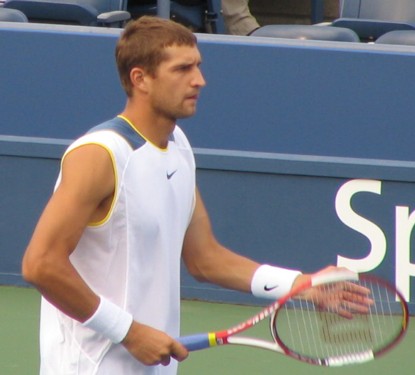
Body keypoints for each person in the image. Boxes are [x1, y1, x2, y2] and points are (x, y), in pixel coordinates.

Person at [23, 16, 348, 375]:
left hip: (154, 365)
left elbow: (205, 259)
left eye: (198, 66)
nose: (199, 80)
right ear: (140, 78)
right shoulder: (99, 155)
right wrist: (129, 332)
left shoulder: (177, 146)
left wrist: (299, 284)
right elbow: (41, 264)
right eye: (182, 69)